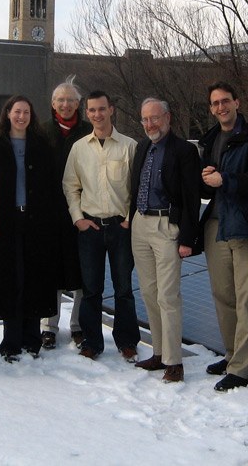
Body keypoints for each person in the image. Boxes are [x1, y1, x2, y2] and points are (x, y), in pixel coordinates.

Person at [62, 90, 139, 361]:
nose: (97, 114)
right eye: (92, 110)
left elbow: (136, 187)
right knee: (91, 289)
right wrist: (77, 218)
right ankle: (92, 342)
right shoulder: (79, 148)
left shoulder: (129, 146)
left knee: (124, 289)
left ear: (112, 109)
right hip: (90, 228)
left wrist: (129, 219)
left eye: (102, 109)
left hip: (121, 227)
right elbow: (70, 185)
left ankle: (127, 340)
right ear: (87, 113)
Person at [129, 98, 201, 383]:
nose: (150, 125)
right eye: (145, 119)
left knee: (168, 295)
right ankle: (158, 353)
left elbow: (192, 198)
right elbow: (135, 187)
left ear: (168, 117)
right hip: (140, 223)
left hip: (166, 226)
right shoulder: (142, 147)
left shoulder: (184, 151)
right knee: (148, 291)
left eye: (154, 118)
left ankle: (174, 361)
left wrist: (187, 238)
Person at [198, 81, 248, 392]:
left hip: (244, 227)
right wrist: (205, 180)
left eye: (225, 101)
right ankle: (231, 354)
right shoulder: (210, 139)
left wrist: (225, 179)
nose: (220, 107)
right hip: (216, 225)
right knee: (223, 296)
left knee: (246, 298)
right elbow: (206, 184)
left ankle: (240, 368)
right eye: (215, 103)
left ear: (237, 102)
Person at [0, 95, 59, 361]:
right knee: (11, 280)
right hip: (7, 222)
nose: (21, 117)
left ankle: (32, 339)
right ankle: (11, 340)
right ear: (7, 114)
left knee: (35, 279)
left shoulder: (42, 146)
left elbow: (52, 186)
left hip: (37, 222)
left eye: (26, 112)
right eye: (17, 112)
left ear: (32, 116)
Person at [40, 79, 92, 349]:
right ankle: (49, 325)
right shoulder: (41, 132)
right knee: (52, 271)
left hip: (83, 212)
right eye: (61, 100)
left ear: (78, 104)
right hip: (50, 214)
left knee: (81, 272)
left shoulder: (89, 132)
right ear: (53, 104)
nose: (66, 104)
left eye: (71, 100)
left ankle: (78, 325)